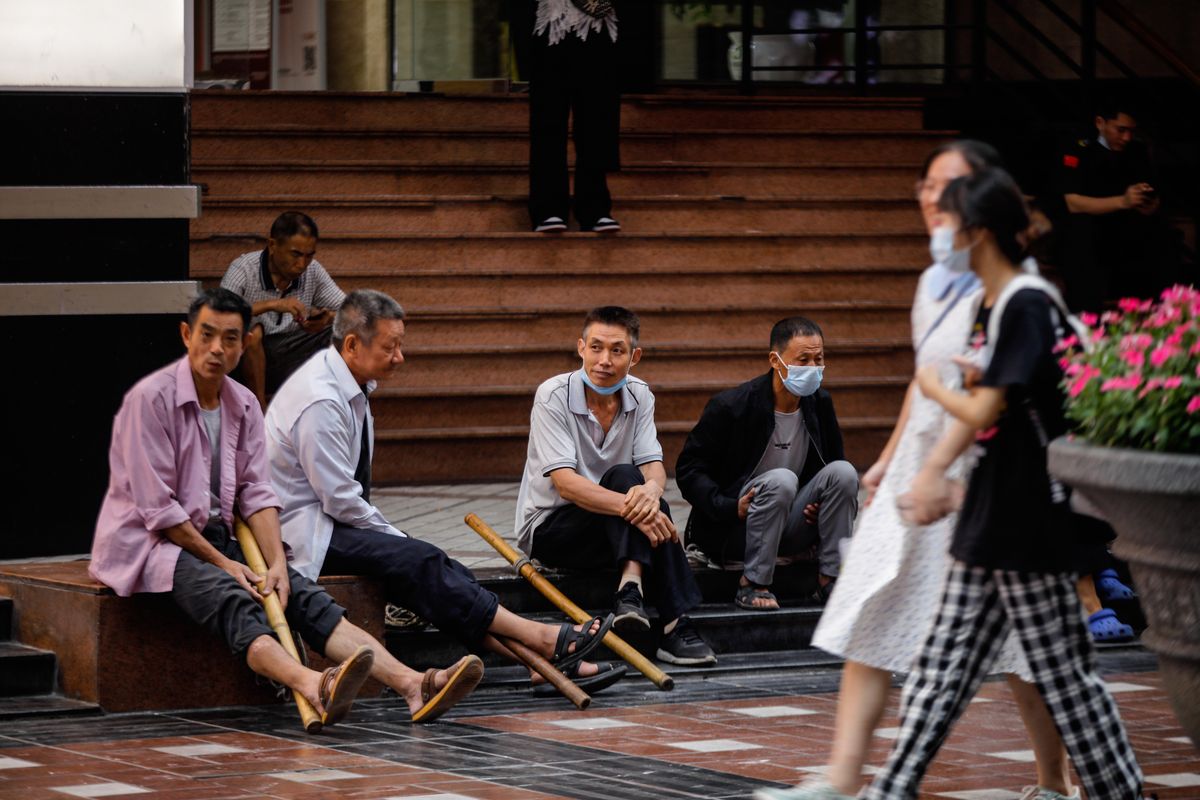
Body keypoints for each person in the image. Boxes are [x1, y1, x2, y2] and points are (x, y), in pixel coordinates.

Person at [755, 141, 1077, 800]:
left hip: (979, 477)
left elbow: (992, 400)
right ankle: (846, 777)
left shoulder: (1017, 291)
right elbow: (923, 378)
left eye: (948, 186)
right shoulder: (934, 282)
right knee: (871, 606)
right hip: (921, 470)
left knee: (1027, 648)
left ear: (984, 201)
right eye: (927, 186)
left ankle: (1056, 781)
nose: (933, 199)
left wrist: (933, 465)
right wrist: (891, 459)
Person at [860, 169, 1143, 799]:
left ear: (980, 232)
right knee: (943, 672)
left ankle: (1117, 791)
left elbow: (989, 408)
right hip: (996, 513)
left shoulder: (1025, 299)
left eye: (948, 222)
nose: (936, 232)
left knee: (1059, 679)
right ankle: (890, 790)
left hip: (1026, 521)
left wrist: (937, 394)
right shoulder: (997, 301)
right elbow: (1000, 396)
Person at [89, 289, 483, 728]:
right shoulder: (150, 401)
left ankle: (413, 686)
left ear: (244, 345)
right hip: (154, 545)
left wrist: (276, 562)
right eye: (207, 335)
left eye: (230, 339)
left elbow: (256, 493)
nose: (217, 349)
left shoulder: (242, 404)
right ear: (186, 335)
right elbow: (159, 510)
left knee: (304, 597)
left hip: (220, 537)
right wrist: (225, 564)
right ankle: (313, 685)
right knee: (233, 597)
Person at [265, 289, 625, 697]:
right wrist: (399, 540)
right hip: (305, 535)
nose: (399, 357)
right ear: (352, 345)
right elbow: (340, 500)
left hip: (332, 523)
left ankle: (541, 661)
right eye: (391, 347)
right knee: (421, 560)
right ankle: (544, 639)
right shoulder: (320, 399)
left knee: (445, 574)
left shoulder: (348, 383)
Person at [516, 306, 716, 666]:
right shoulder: (553, 395)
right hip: (554, 530)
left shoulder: (640, 395)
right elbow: (567, 486)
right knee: (641, 497)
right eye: (596, 348)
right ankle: (675, 624)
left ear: (634, 356)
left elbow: (654, 469)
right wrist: (643, 508)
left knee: (636, 484)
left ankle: (631, 590)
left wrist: (652, 493)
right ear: (580, 348)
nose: (604, 360)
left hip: (615, 532)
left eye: (617, 350)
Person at [676, 316, 858, 610]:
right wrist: (728, 506)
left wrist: (822, 506)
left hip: (792, 524)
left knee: (844, 473)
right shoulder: (732, 406)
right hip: (734, 531)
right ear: (775, 360)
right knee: (782, 479)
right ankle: (753, 583)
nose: (813, 368)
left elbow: (833, 467)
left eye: (818, 359)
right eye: (803, 360)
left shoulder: (819, 404)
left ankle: (830, 579)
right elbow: (689, 470)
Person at [1058, 98, 1180, 311]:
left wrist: (1149, 202)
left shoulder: (1136, 150)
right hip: (1090, 229)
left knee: (1163, 242)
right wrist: (1122, 201)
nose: (1126, 137)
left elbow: (1152, 187)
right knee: (1083, 245)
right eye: (1120, 130)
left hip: (1129, 229)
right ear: (1100, 123)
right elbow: (1073, 202)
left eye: (1131, 131)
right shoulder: (1079, 148)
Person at [220, 211, 345, 408]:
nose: (302, 264)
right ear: (272, 245)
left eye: (309, 255)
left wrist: (329, 318)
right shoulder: (243, 269)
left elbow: (354, 310)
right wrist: (271, 305)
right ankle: (259, 410)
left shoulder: (313, 271)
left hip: (289, 354)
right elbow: (219, 313)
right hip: (242, 362)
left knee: (344, 330)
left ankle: (335, 406)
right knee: (254, 333)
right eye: (295, 254)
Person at [528, 0, 622, 233]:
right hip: (549, 24)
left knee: (596, 121)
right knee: (548, 121)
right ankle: (547, 208)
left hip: (597, 28)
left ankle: (595, 208)